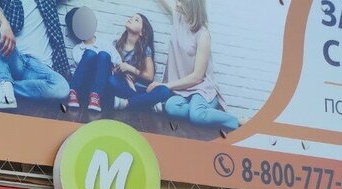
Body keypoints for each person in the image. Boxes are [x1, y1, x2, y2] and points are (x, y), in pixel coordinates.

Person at [120, 0, 239, 131]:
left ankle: (234, 119)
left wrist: (166, 85)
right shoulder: (178, 17)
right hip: (182, 89)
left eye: (182, 2)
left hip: (201, 89)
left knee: (197, 116)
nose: (177, 4)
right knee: (170, 107)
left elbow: (197, 77)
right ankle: (201, 110)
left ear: (193, 6)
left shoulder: (203, 35)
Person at [0, 0, 71, 110]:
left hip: (39, 69)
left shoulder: (47, 1)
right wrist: (3, 22)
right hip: (15, 59)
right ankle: (3, 81)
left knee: (61, 88)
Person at [65, 7, 122, 112]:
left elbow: (119, 64)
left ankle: (95, 95)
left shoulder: (105, 43)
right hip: (85, 86)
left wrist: (114, 69)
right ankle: (73, 91)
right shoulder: (77, 50)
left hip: (103, 86)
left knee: (103, 55)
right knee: (90, 54)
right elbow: (76, 73)